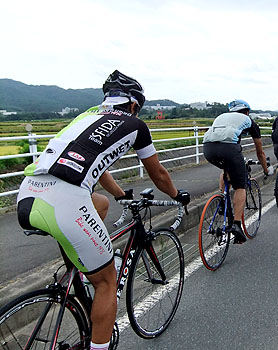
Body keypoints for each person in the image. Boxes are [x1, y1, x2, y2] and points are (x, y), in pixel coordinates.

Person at [16, 70, 190, 350]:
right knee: (108, 282)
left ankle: (81, 276)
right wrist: (176, 195)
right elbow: (157, 173)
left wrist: (121, 195)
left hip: (28, 193)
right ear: (134, 105)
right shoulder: (135, 124)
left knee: (101, 203)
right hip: (65, 200)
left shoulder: (86, 116)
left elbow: (94, 165)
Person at [203, 99, 270, 244]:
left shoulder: (222, 117)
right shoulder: (248, 120)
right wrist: (266, 169)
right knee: (240, 186)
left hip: (207, 148)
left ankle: (222, 199)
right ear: (247, 112)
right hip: (229, 149)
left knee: (225, 169)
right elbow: (260, 152)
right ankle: (237, 225)